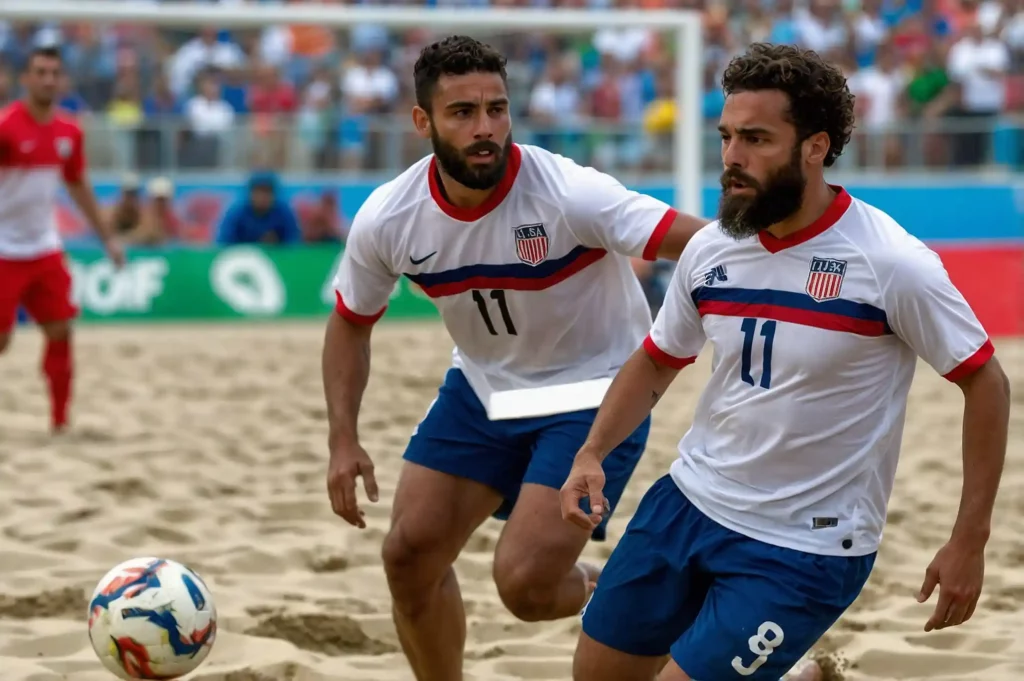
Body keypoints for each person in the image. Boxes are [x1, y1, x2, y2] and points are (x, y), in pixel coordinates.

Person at [560, 42, 1011, 681]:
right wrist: (592, 453)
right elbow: (659, 360)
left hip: (807, 546)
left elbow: (985, 382)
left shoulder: (891, 263)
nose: (732, 158)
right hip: (687, 503)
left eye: (756, 139)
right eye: (726, 137)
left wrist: (970, 538)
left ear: (815, 147)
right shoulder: (713, 248)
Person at [323, 35, 709, 681]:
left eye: (497, 109)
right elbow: (350, 324)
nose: (486, 129)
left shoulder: (567, 192)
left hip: (595, 392)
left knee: (525, 585)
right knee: (408, 554)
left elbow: (700, 244)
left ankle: (641, 602)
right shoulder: (390, 216)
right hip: (484, 390)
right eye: (463, 113)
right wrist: (343, 439)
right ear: (423, 122)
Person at [0, 45, 124, 433]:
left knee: (60, 329)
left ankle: (59, 421)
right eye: (41, 72)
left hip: (43, 247)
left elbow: (78, 186)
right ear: (26, 79)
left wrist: (108, 238)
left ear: (63, 80)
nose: (48, 79)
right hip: (3, 248)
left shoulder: (69, 131)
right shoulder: (6, 128)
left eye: (55, 73)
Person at [215, 170, 302, 245]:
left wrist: (277, 246)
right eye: (258, 192)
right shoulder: (237, 212)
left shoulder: (283, 212)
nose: (262, 197)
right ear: (250, 193)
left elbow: (294, 243)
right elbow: (223, 242)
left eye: (267, 192)